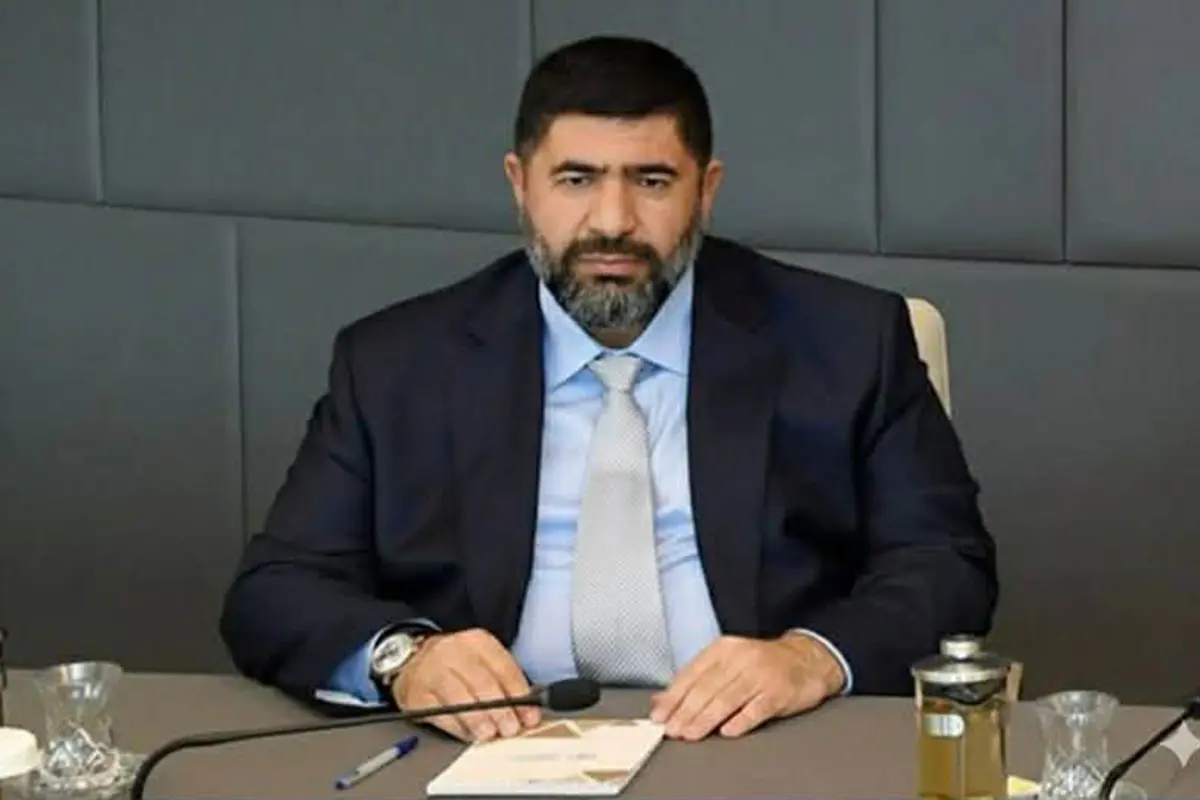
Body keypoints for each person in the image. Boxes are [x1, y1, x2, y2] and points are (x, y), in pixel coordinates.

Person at [219, 34, 998, 745]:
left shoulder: (848, 341)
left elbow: (945, 564)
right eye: (576, 179)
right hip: (494, 749)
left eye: (652, 180)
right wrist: (405, 658)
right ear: (520, 185)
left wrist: (810, 658)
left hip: (760, 744)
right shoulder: (397, 364)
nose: (613, 221)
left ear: (706, 189)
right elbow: (277, 589)